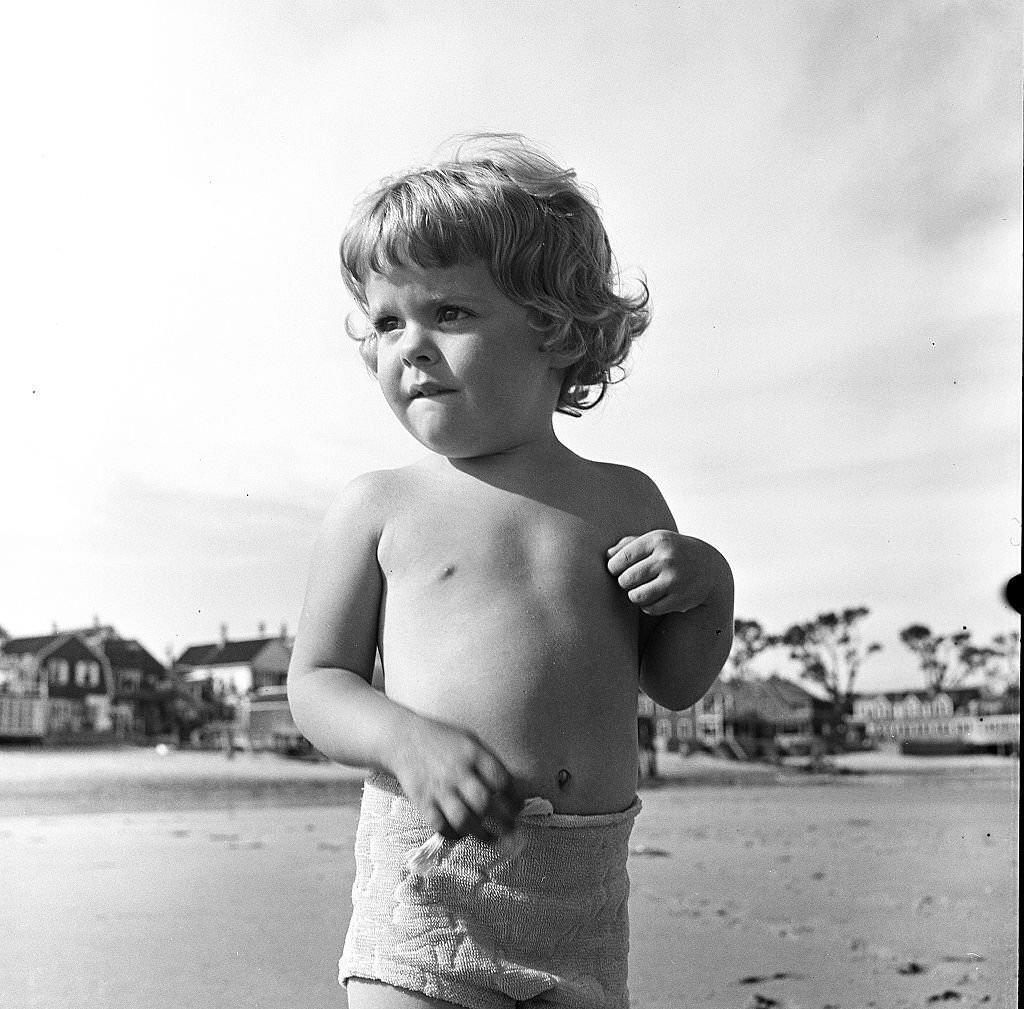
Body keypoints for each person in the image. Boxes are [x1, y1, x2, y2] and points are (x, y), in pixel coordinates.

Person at [287, 133, 734, 1009]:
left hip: (582, 898)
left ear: (554, 327)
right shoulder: (378, 507)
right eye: (387, 322)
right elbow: (317, 682)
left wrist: (708, 585)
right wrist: (408, 741)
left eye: (448, 314)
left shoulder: (623, 499)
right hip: (431, 884)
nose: (409, 346)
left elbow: (677, 681)